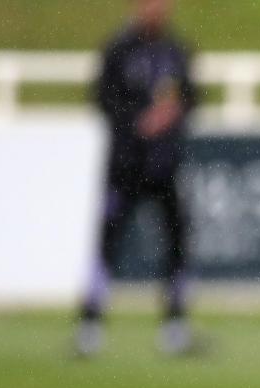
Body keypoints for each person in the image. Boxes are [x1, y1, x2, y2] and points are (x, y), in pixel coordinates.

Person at [74, 0, 203, 358]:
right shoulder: (118, 50)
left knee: (177, 240)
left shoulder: (175, 50)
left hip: (165, 165)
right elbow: (103, 99)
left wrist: (174, 112)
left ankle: (175, 326)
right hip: (126, 166)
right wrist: (138, 122)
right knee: (107, 242)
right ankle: (90, 325)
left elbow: (192, 96)